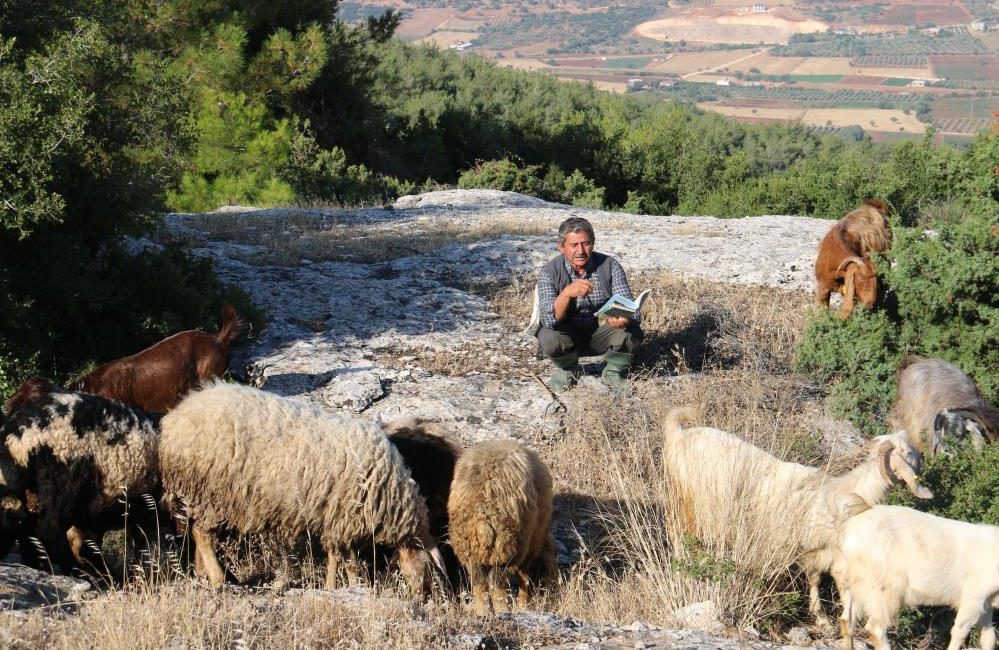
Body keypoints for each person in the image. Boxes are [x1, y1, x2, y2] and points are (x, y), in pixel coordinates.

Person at [533, 216, 643, 391]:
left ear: (593, 243)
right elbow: (549, 320)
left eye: (586, 243)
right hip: (568, 336)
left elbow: (632, 309)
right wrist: (567, 293)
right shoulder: (549, 271)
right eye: (574, 245)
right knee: (548, 336)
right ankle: (567, 368)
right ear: (561, 247)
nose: (581, 251)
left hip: (602, 333)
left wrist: (624, 319)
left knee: (632, 332)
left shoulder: (610, 265)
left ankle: (613, 371)